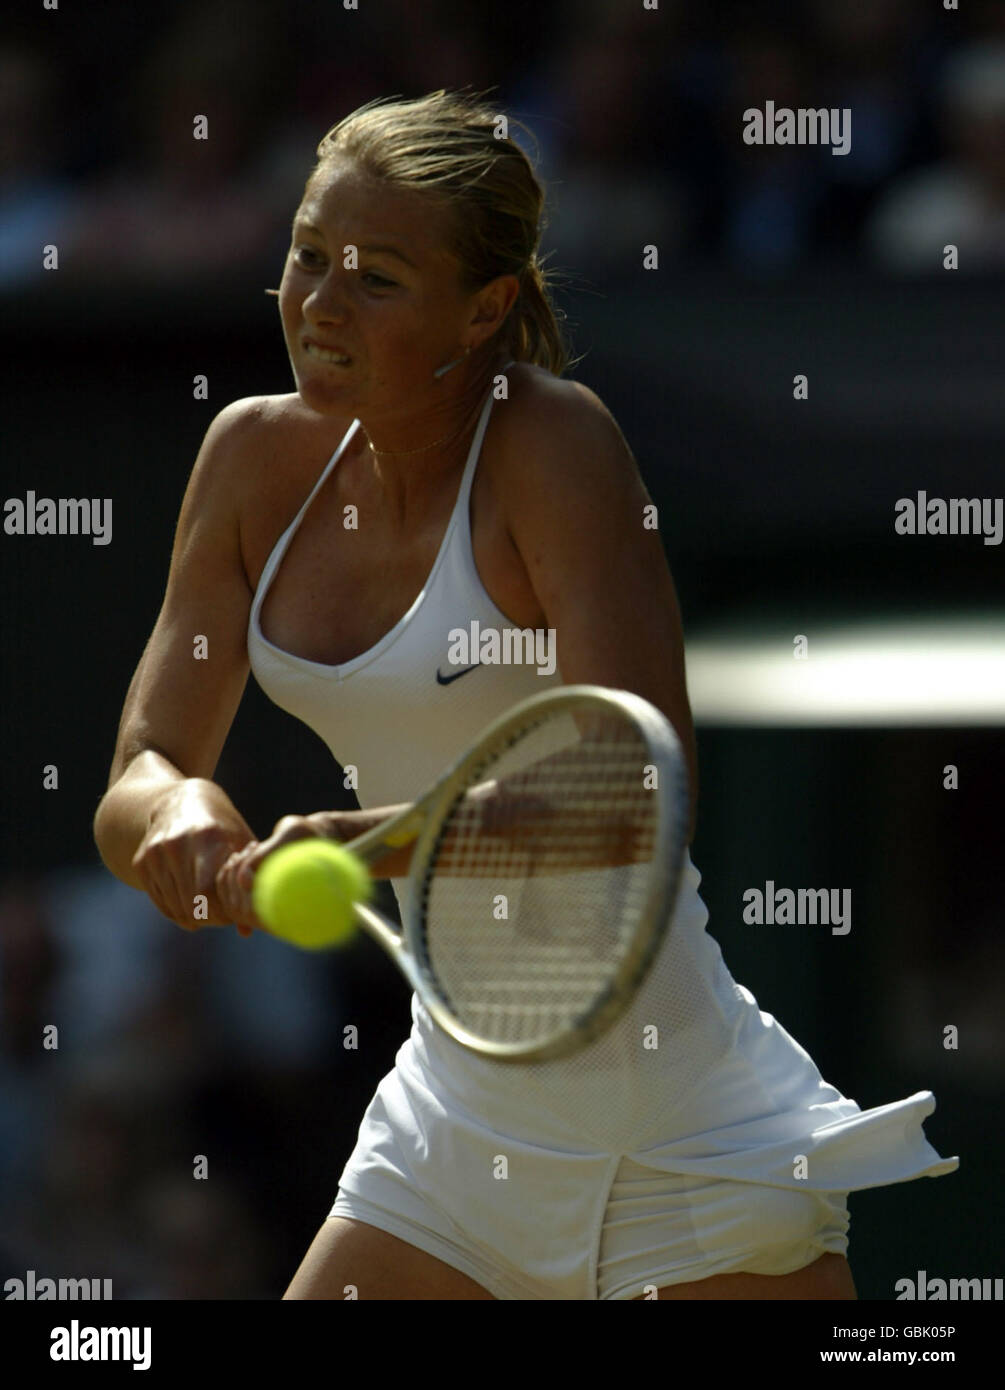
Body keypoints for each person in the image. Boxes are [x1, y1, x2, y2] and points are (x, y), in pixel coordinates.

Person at [94, 89, 958, 1301]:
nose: (320, 305)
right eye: (306, 258)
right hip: (452, 1127)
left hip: (679, 1136)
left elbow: (640, 792)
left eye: (379, 279)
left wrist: (388, 838)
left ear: (487, 305)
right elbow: (142, 765)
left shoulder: (555, 445)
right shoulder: (245, 458)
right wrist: (175, 816)